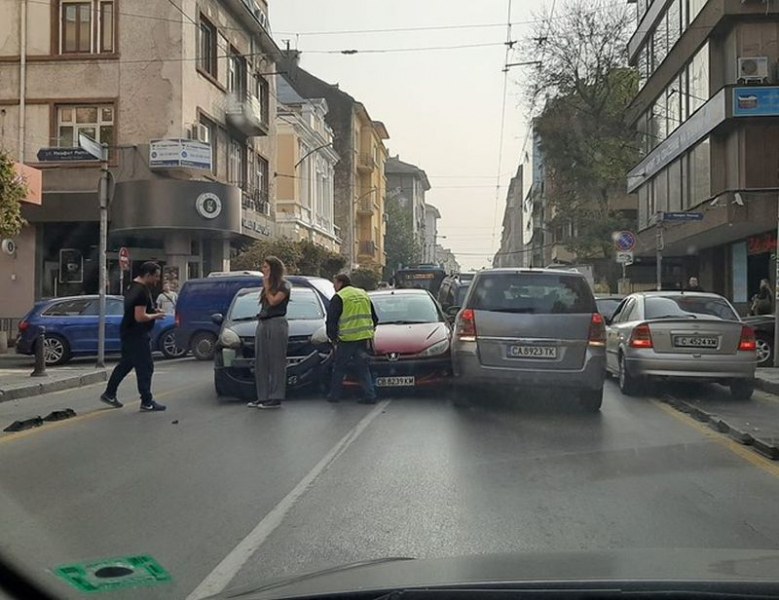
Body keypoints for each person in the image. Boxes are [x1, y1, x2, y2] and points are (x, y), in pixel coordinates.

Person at [100, 262, 168, 411]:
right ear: (148, 275)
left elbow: (136, 310)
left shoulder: (132, 286)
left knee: (126, 364)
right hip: (137, 334)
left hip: (128, 331)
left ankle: (109, 393)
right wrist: (156, 315)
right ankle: (146, 401)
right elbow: (140, 317)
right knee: (145, 367)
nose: (157, 280)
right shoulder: (141, 291)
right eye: (155, 276)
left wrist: (151, 309)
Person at [326, 273, 379, 405]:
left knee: (339, 367)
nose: (333, 286)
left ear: (340, 283)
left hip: (347, 339)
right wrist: (368, 331)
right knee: (363, 367)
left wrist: (333, 338)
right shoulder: (363, 294)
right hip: (364, 338)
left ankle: (334, 395)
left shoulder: (339, 297)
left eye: (334, 283)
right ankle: (370, 395)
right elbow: (374, 318)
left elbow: (331, 321)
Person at [248, 256, 291, 409]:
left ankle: (276, 396)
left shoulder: (284, 286)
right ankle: (263, 396)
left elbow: (274, 301)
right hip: (263, 322)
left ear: (273, 269)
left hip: (277, 323)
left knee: (276, 360)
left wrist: (266, 286)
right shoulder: (267, 286)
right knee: (261, 361)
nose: (263, 269)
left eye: (266, 267)